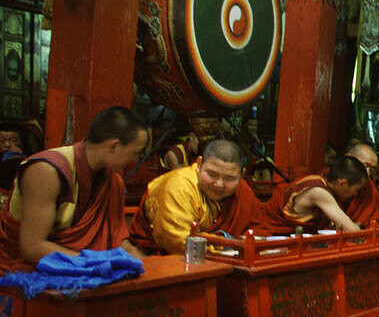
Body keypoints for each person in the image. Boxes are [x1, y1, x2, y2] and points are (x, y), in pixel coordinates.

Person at [0, 106, 148, 270]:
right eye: (136, 152)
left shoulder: (113, 181)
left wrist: (145, 263)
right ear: (114, 146)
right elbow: (32, 248)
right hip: (25, 273)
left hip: (85, 269)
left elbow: (117, 241)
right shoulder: (46, 170)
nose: (136, 159)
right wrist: (96, 263)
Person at [129, 139, 259, 254]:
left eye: (229, 178)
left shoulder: (242, 191)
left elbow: (259, 226)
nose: (219, 184)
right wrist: (226, 245)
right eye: (212, 174)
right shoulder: (178, 187)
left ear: (241, 175)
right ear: (199, 164)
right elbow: (178, 244)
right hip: (163, 260)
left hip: (222, 262)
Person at [250, 156, 369, 235]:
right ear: (342, 183)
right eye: (356, 189)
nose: (355, 194)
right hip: (266, 237)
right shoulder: (319, 191)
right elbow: (351, 230)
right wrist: (356, 227)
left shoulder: (321, 180)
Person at [343, 143, 379, 225]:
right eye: (365, 165)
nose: (367, 173)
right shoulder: (331, 182)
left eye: (372, 169)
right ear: (348, 158)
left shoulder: (368, 186)